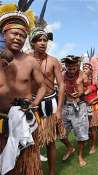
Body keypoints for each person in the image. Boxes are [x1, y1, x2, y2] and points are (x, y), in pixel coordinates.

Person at [0, 2, 46, 174]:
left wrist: (35, 103)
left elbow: (42, 86)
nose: (18, 38)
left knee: (26, 167)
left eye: (22, 35)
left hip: (24, 120)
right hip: (0, 121)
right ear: (4, 33)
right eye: (14, 33)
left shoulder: (30, 61)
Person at [29, 7, 65, 173]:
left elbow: (62, 85)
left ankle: (51, 172)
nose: (43, 42)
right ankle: (34, 169)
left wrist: (59, 110)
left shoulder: (53, 61)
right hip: (33, 104)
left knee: (50, 141)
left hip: (50, 102)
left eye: (45, 40)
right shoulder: (26, 59)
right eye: (39, 40)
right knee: (32, 140)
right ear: (33, 42)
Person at [60, 55, 89, 167]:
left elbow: (89, 87)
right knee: (61, 134)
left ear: (77, 66)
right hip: (66, 106)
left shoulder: (83, 75)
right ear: (66, 66)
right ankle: (70, 148)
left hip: (80, 106)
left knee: (81, 134)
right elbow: (59, 87)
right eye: (69, 68)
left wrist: (81, 93)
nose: (71, 71)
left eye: (73, 68)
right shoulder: (62, 75)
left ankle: (80, 156)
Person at [81, 63, 98, 154]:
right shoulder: (81, 82)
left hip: (95, 106)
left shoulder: (95, 81)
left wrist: (93, 100)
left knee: (94, 126)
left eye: (86, 68)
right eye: (83, 68)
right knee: (90, 127)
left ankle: (94, 146)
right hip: (85, 106)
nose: (84, 69)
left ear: (91, 70)